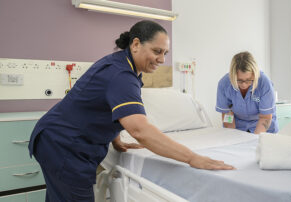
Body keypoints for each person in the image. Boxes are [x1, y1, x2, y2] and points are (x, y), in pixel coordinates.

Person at [28, 20, 234, 202]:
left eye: (165, 53)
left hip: (59, 140)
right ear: (135, 44)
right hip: (62, 144)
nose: (162, 60)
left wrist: (115, 138)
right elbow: (140, 130)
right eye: (157, 51)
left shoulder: (126, 68)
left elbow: (108, 107)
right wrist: (191, 158)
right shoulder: (121, 75)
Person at [216, 51, 278, 134]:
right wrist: (231, 136)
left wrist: (255, 138)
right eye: (239, 80)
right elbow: (228, 114)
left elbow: (265, 117)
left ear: (254, 74)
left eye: (249, 80)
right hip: (239, 129)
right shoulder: (224, 84)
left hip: (263, 128)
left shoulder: (264, 83)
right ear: (232, 76)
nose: (244, 85)